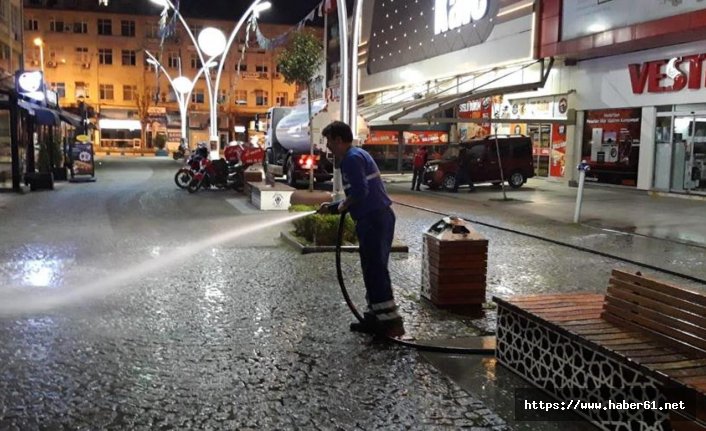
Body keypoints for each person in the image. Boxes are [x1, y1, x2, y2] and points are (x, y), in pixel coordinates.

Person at [318, 121, 405, 338]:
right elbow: (356, 193)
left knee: (375, 270)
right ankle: (375, 317)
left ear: (338, 140)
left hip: (374, 219)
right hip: (376, 218)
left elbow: (359, 192)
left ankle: (389, 324)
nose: (327, 147)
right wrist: (334, 207)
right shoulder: (357, 155)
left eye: (329, 141)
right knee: (372, 269)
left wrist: (339, 207)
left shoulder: (351, 159)